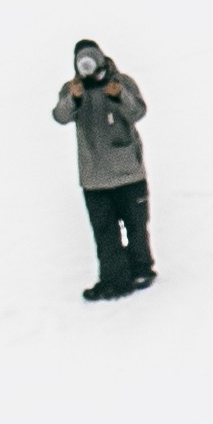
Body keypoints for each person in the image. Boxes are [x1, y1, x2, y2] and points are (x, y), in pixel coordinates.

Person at [54, 40, 155, 298]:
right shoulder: (73, 89)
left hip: (128, 174)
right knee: (105, 232)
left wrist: (119, 95)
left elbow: (138, 111)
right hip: (95, 178)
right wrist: (74, 99)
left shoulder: (121, 83)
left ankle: (141, 269)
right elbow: (61, 115)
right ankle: (114, 279)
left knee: (136, 226)